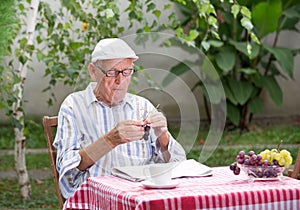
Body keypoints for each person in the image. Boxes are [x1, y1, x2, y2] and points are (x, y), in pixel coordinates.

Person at [53, 38, 186, 199]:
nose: (120, 80)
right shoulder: (74, 106)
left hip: (142, 196)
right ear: (93, 71)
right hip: (99, 198)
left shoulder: (142, 106)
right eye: (112, 72)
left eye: (127, 72)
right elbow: (68, 173)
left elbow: (179, 166)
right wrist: (110, 140)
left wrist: (163, 136)